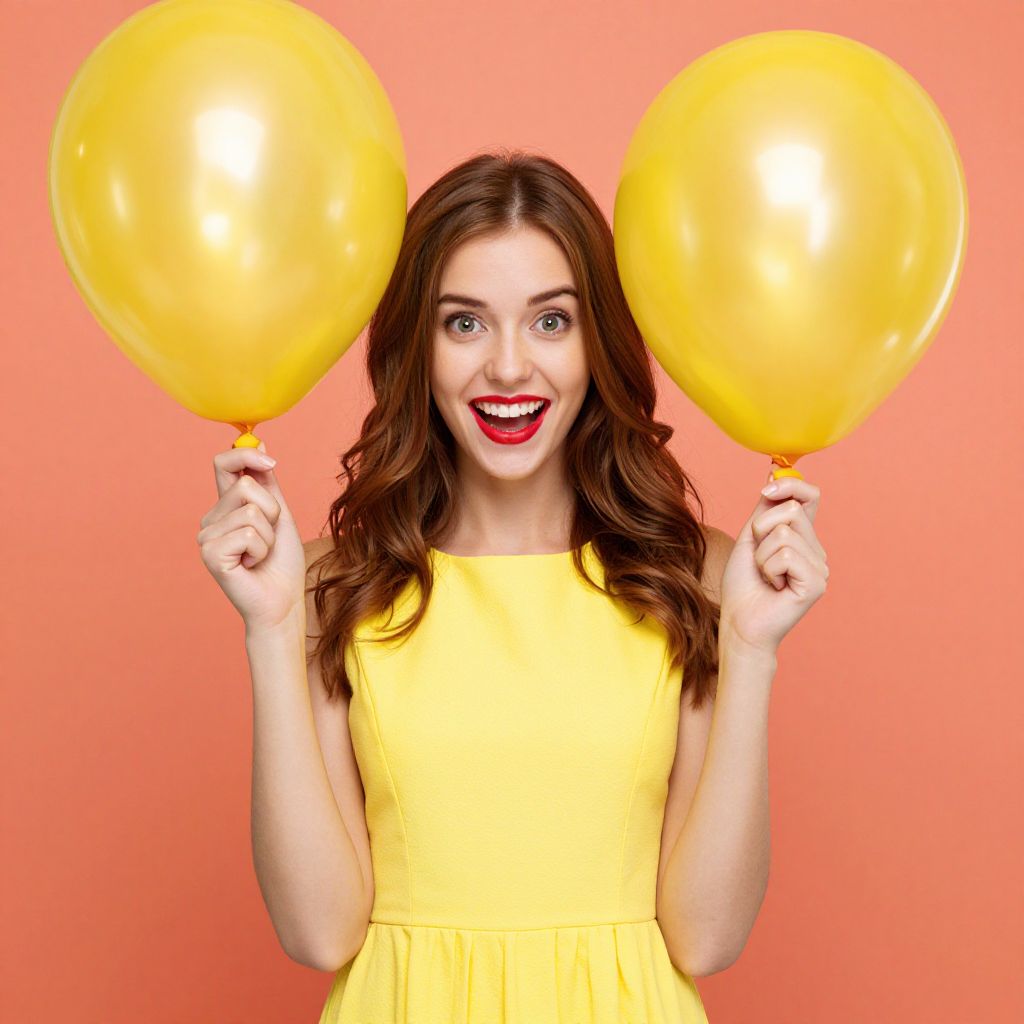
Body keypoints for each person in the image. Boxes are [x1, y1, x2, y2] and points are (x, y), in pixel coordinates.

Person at [197, 149, 829, 1023]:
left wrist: (752, 648)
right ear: (418, 348)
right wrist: (270, 629)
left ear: (598, 342)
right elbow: (318, 931)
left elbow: (708, 937)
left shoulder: (698, 576)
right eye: (464, 323)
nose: (506, 367)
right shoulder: (330, 585)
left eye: (550, 321)